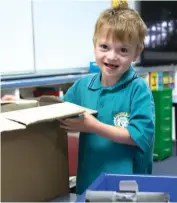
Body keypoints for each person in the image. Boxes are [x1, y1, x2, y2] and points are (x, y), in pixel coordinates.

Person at [60, 0, 155, 195]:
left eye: (123, 50)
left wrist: (92, 126)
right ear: (94, 44)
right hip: (89, 184)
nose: (112, 57)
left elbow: (138, 137)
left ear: (136, 53)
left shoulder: (139, 90)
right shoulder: (82, 87)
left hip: (129, 189)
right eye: (104, 46)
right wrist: (25, 106)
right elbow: (56, 112)